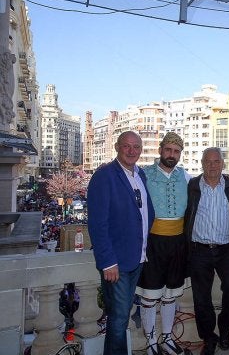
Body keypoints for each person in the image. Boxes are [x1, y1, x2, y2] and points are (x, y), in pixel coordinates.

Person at [87, 131, 155, 355]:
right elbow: (98, 224)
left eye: (136, 147)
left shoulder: (140, 175)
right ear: (117, 147)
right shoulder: (104, 176)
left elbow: (144, 213)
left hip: (137, 258)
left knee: (122, 315)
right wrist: (107, 262)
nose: (132, 151)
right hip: (116, 263)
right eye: (127, 146)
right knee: (118, 320)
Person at [135, 132, 191, 355]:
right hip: (153, 243)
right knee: (150, 296)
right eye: (168, 150)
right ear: (160, 150)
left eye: (176, 151)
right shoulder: (144, 175)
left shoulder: (185, 177)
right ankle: (150, 342)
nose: (171, 154)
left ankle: (166, 338)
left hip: (177, 243)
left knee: (170, 295)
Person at [184, 147, 229, 355]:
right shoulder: (192, 186)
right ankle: (208, 337)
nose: (212, 165)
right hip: (200, 250)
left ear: (223, 164)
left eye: (216, 161)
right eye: (208, 161)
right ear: (201, 163)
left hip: (227, 249)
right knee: (201, 297)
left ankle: (224, 329)